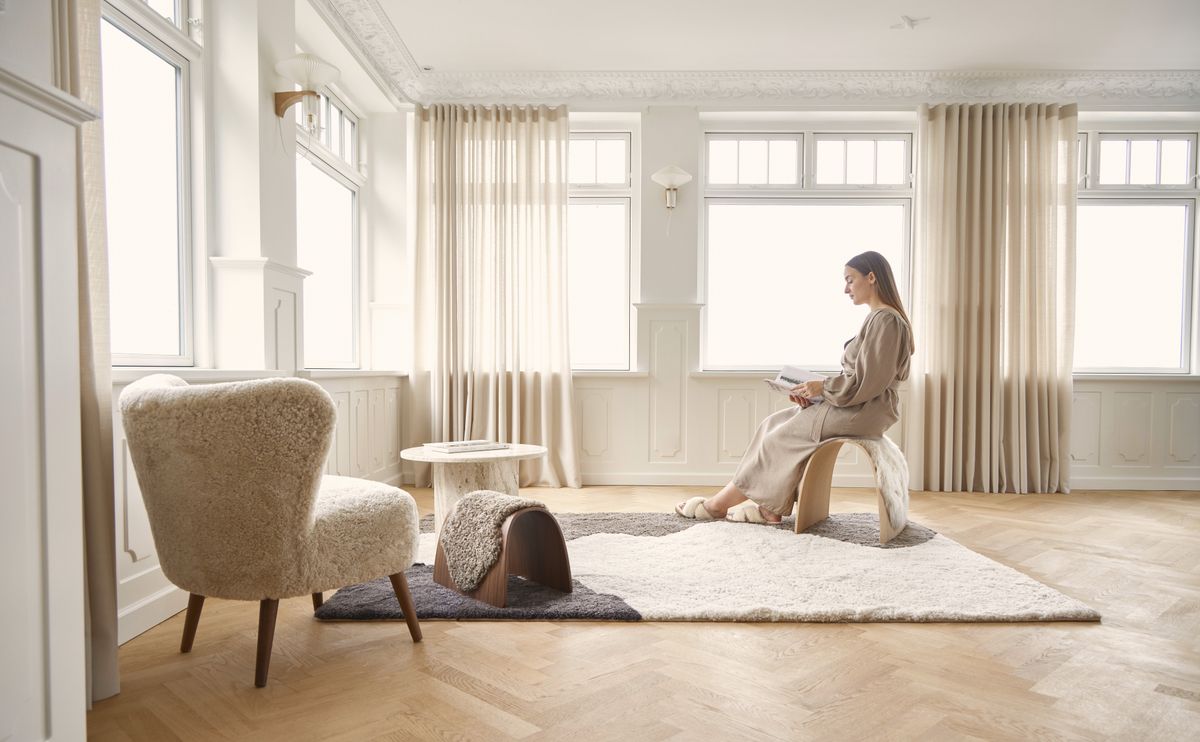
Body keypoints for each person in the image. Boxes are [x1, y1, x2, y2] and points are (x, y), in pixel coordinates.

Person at [676, 250, 914, 523]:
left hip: (865, 409)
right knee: (771, 425)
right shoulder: (879, 318)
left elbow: (868, 382)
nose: (845, 288)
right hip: (857, 404)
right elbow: (862, 379)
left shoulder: (886, 320)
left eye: (850, 280)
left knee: (781, 437)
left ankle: (720, 505)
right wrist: (816, 394)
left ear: (871, 277)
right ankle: (769, 507)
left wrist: (822, 389)